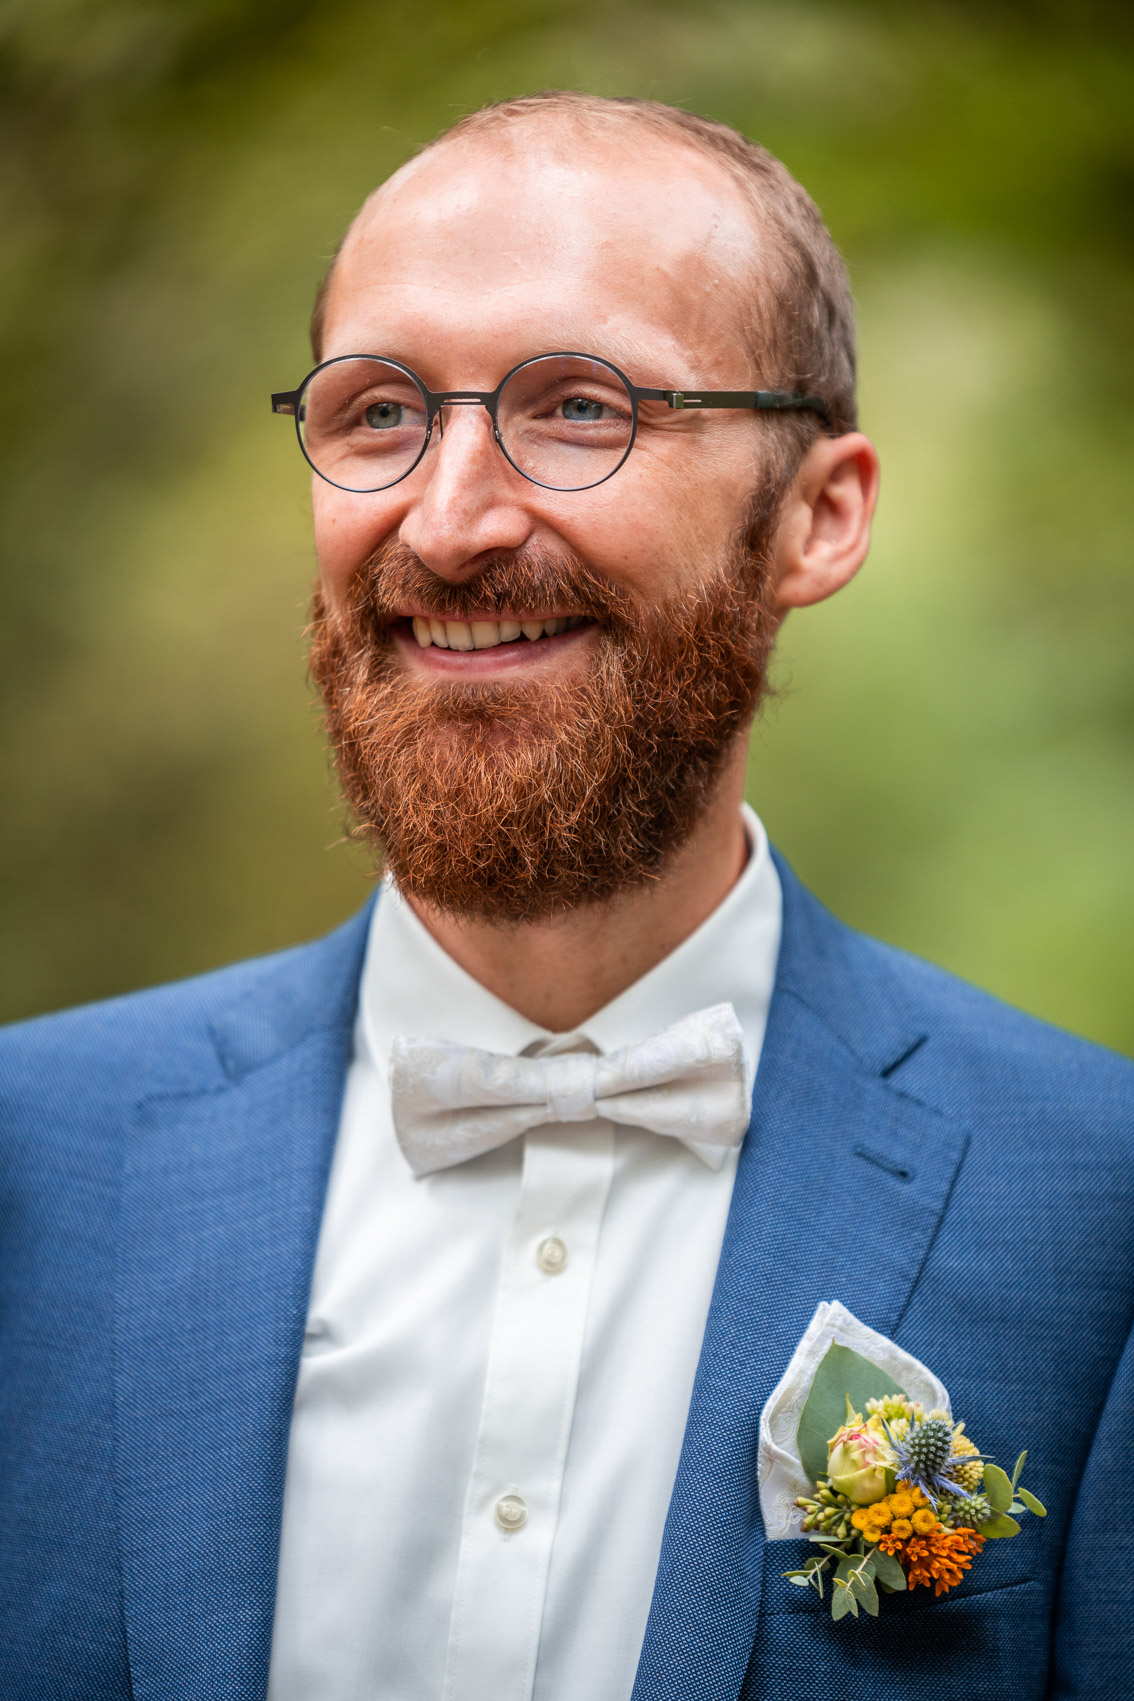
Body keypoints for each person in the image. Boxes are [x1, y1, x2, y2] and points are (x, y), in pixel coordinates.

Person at [0, 90, 1129, 1701]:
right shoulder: (27, 1167)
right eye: (378, 412)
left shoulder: (1097, 1209)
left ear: (817, 516)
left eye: (581, 406)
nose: (449, 521)